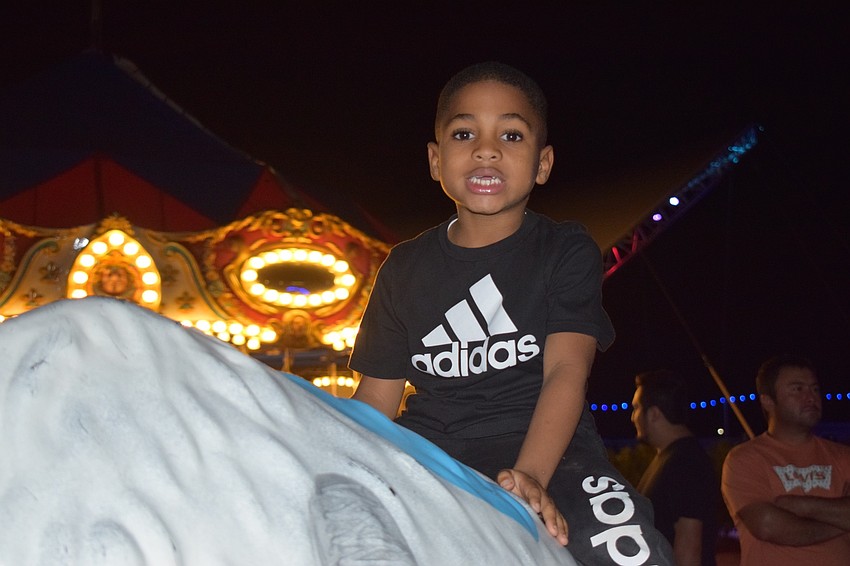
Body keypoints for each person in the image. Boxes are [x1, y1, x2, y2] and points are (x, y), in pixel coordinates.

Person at [350, 61, 673, 565]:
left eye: (511, 134)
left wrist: (532, 477)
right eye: (464, 132)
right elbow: (376, 396)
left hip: (553, 453)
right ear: (436, 161)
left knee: (633, 551)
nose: (486, 148)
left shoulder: (564, 249)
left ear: (543, 164)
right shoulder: (404, 266)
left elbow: (566, 371)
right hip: (431, 452)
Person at [721, 355, 850, 565]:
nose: (811, 397)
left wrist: (801, 505)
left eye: (815, 389)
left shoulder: (843, 456)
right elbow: (767, 525)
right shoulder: (745, 459)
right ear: (768, 400)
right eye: (798, 389)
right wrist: (841, 520)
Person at [631, 370, 719, 565]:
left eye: (636, 408)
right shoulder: (670, 458)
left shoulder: (687, 463)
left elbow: (689, 550)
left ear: (654, 413)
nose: (632, 417)